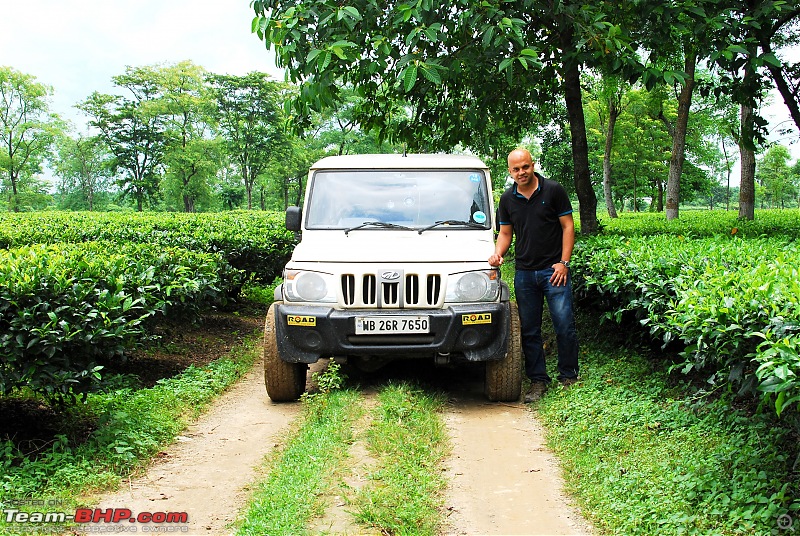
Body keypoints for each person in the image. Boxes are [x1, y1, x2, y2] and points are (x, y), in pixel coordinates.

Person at [488, 148, 579, 403]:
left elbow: (567, 226)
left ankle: (568, 375)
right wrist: (497, 253)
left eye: (525, 167)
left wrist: (564, 262)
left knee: (564, 324)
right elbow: (505, 233)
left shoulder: (553, 190)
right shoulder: (507, 200)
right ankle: (538, 381)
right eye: (516, 169)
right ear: (510, 172)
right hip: (525, 273)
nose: (521, 173)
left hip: (554, 272)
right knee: (529, 330)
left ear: (532, 165)